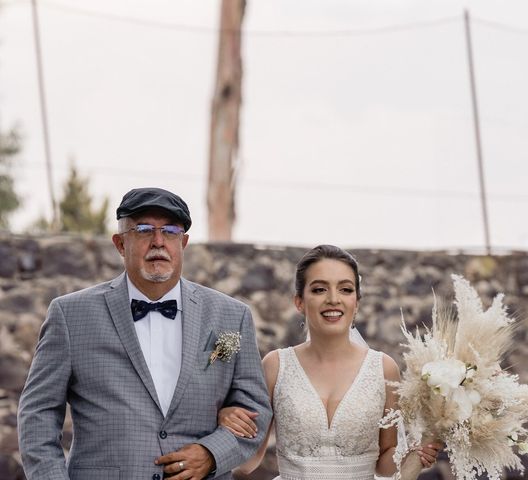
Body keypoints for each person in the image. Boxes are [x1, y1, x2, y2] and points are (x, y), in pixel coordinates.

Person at [18, 187, 272, 480]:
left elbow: (255, 409)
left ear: (184, 242)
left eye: (171, 231)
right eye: (143, 230)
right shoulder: (70, 314)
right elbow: (37, 413)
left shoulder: (231, 315)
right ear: (120, 243)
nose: (158, 242)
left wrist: (212, 454)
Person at [218, 245, 441, 479]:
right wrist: (225, 423)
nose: (333, 299)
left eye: (345, 289)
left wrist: (412, 456)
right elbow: (249, 460)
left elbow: (384, 461)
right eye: (319, 289)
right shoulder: (275, 365)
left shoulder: (384, 368)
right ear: (299, 302)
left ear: (357, 302)